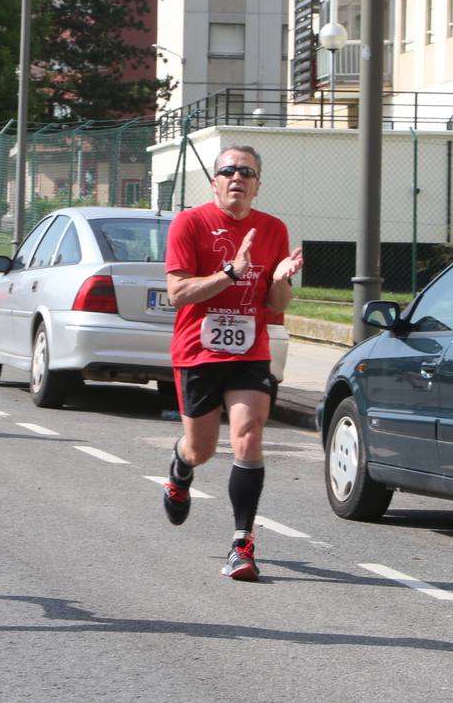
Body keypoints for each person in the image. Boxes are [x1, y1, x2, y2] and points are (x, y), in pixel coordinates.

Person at [160, 144, 303, 582]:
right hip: (198, 349)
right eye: (228, 171)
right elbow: (176, 293)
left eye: (247, 172)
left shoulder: (273, 230)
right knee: (201, 449)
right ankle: (181, 467)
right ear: (215, 182)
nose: (237, 177)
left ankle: (242, 544)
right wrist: (231, 273)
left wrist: (280, 281)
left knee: (248, 434)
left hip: (250, 348)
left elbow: (277, 303)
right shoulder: (190, 223)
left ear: (258, 185)